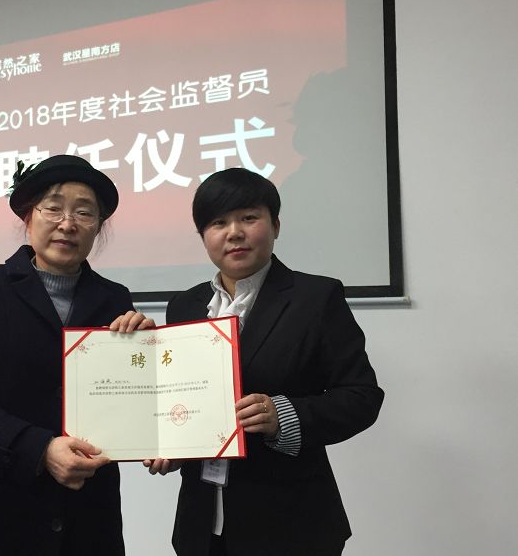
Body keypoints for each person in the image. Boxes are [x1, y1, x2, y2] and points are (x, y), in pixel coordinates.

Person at [145, 168, 384, 556]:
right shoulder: (185, 305)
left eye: (248, 217)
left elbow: (362, 396)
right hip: (199, 524)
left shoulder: (315, 297)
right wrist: (170, 444)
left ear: (275, 225)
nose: (234, 232)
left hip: (291, 523)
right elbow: (184, 399)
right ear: (203, 235)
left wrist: (284, 417)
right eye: (218, 223)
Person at [0, 154, 152, 556]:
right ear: (28, 216)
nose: (68, 223)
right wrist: (40, 450)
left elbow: (127, 405)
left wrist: (148, 358)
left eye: (84, 212)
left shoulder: (114, 300)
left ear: (98, 226)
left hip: (88, 520)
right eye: (53, 207)